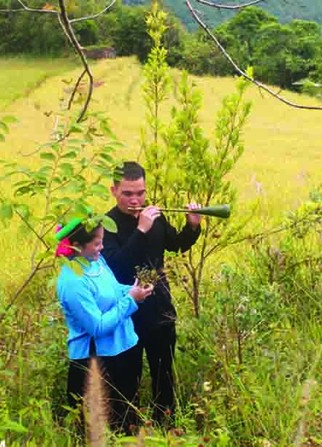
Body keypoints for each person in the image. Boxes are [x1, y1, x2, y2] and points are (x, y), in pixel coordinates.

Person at [102, 161, 202, 427]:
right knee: (126, 375)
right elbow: (116, 264)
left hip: (159, 308)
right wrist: (140, 230)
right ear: (114, 190)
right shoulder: (107, 225)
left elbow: (176, 245)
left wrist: (192, 227)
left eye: (140, 192)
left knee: (164, 372)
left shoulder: (155, 217)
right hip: (126, 311)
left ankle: (165, 425)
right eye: (127, 194)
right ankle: (127, 430)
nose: (135, 200)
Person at [56, 217, 153, 434]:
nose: (102, 247)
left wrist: (133, 290)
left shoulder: (96, 262)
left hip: (123, 349)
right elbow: (97, 327)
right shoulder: (73, 281)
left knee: (127, 420)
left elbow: (113, 289)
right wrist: (131, 300)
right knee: (99, 428)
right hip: (97, 360)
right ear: (77, 246)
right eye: (97, 243)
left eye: (102, 241)